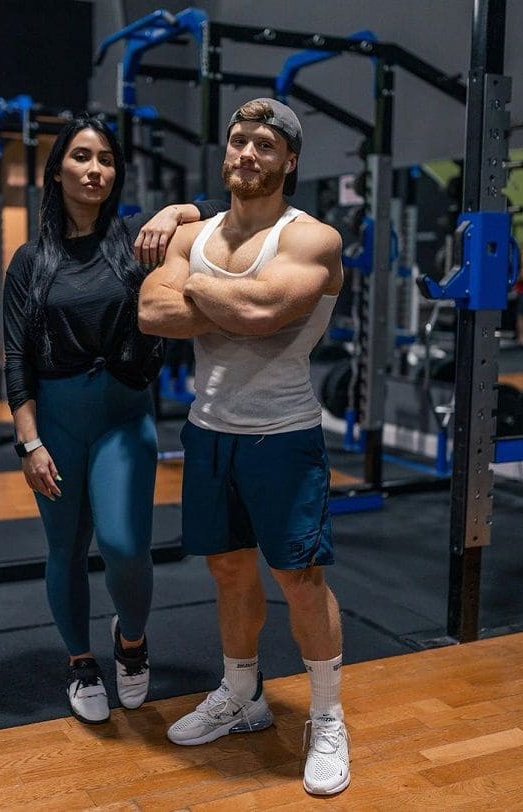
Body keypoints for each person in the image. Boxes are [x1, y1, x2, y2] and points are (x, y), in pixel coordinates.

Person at [138, 98, 349, 796]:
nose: (248, 154)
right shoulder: (193, 232)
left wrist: (198, 281)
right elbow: (150, 312)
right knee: (229, 572)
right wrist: (225, 288)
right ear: (224, 152)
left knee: (299, 579)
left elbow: (262, 315)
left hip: (283, 435)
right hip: (208, 431)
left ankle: (326, 716)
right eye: (238, 141)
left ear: (289, 160)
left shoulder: (311, 238)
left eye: (264, 144)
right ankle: (242, 695)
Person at [3, 114, 225, 725]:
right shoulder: (30, 261)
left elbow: (222, 208)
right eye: (80, 156)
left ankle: (131, 642)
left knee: (127, 546)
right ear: (56, 172)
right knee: (66, 550)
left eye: (105, 159)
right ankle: (80, 661)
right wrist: (29, 443)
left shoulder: (136, 238)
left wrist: (175, 210)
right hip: (57, 419)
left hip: (124, 414)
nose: (95, 169)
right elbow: (16, 354)